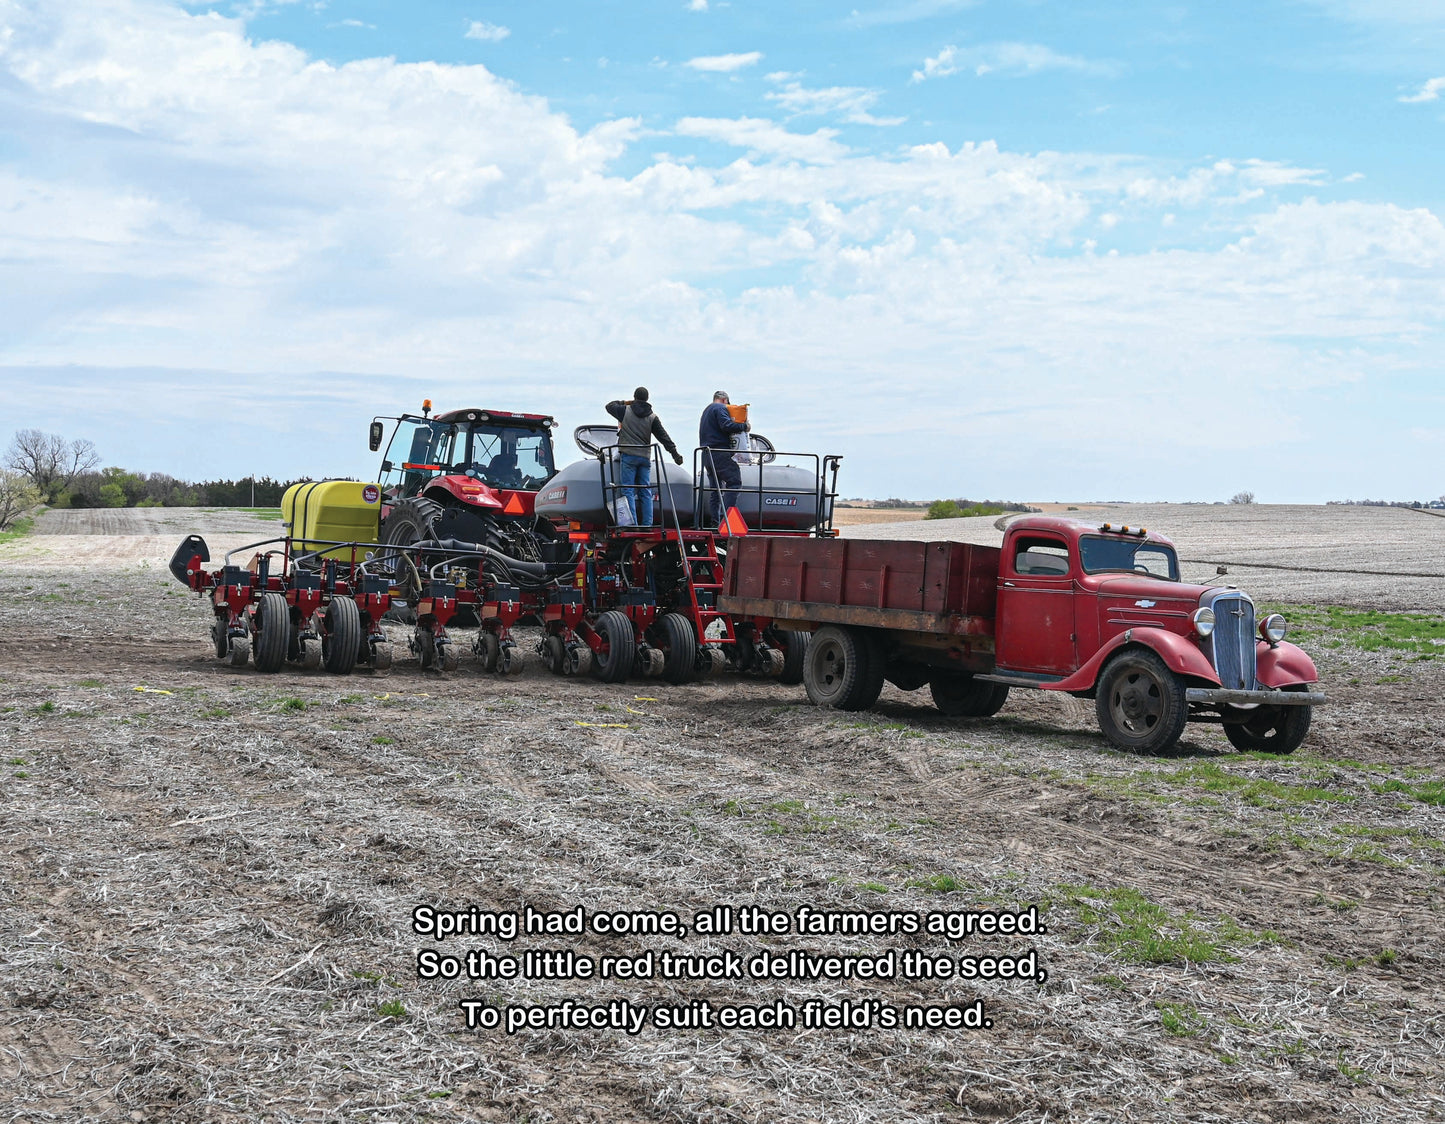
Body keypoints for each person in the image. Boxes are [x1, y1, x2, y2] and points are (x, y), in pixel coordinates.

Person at [605, 387, 684, 527]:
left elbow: (609, 406)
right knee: (645, 490)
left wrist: (626, 402)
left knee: (627, 489)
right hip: (644, 457)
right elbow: (664, 437)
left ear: (634, 397)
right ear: (647, 399)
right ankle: (647, 524)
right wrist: (675, 454)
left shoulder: (625, 411)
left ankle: (632, 524)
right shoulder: (652, 417)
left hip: (629, 456)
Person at [698, 390, 749, 527]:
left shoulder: (707, 410)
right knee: (734, 482)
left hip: (706, 455)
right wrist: (744, 426)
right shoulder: (720, 408)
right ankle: (726, 521)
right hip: (718, 453)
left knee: (716, 490)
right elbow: (726, 425)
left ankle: (715, 522)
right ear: (725, 400)